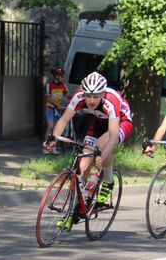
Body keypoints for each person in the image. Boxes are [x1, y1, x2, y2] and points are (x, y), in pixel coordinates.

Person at [45, 71, 133, 201]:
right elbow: (63, 120)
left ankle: (108, 180)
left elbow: (113, 136)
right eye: (88, 96)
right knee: (84, 161)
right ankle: (77, 204)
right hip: (98, 120)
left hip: (120, 122)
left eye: (96, 97)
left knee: (101, 146)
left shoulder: (111, 100)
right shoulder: (79, 96)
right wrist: (54, 138)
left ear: (103, 94)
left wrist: (101, 156)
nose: (91, 100)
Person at [43, 66, 70, 155]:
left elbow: (68, 95)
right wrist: (56, 104)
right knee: (50, 126)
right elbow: (48, 97)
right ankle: (46, 147)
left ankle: (53, 147)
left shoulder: (63, 85)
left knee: (56, 128)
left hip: (58, 109)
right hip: (50, 108)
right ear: (57, 76)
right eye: (62, 76)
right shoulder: (49, 85)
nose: (63, 78)